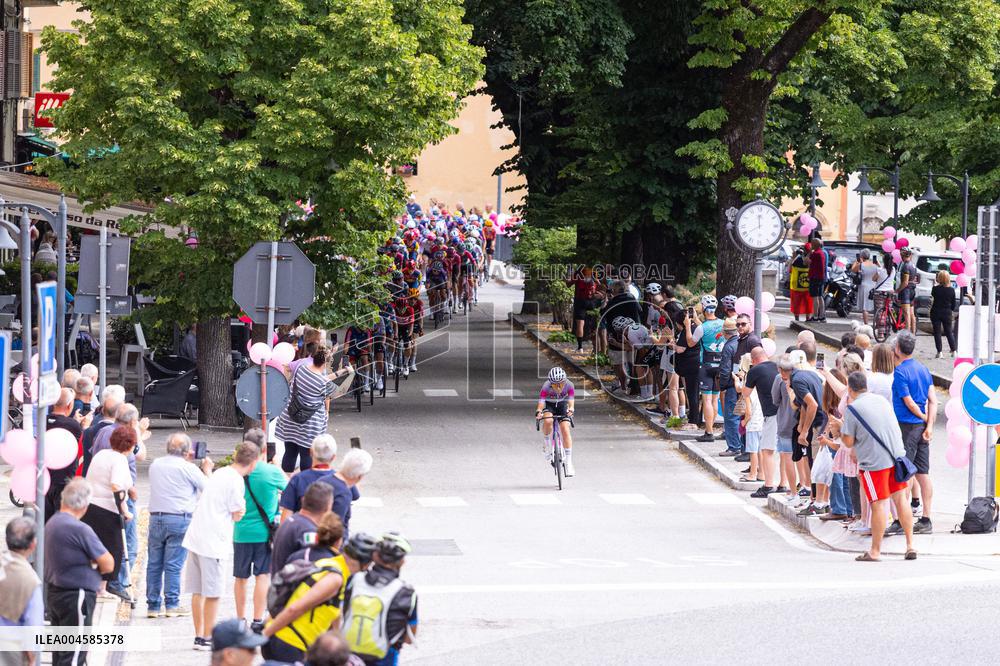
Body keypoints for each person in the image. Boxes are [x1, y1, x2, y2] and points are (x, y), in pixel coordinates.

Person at [182, 442, 259, 651]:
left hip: (196, 535)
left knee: (197, 591)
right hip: (213, 541)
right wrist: (239, 511)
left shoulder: (220, 473)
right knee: (213, 592)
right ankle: (207, 636)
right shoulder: (236, 481)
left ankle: (199, 634)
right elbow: (237, 512)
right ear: (253, 462)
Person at [835, 371, 917, 562]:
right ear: (866, 385)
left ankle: (875, 551)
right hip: (897, 458)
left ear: (849, 388)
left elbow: (847, 441)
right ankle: (910, 545)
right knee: (901, 501)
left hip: (874, 464)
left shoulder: (852, 409)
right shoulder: (881, 400)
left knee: (879, 504)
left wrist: (838, 429)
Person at [45, 479, 114, 666]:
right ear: (84, 505)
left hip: (56, 592)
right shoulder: (80, 529)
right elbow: (108, 563)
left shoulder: (53, 522)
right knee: (74, 653)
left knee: (61, 652)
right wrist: (93, 561)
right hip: (76, 594)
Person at [262, 514, 348, 662]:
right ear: (339, 541)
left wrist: (267, 631)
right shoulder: (333, 567)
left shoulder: (298, 555)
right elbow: (298, 608)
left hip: (274, 630)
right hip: (296, 641)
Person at [146, 432, 212, 618]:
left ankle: (153, 605)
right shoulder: (188, 469)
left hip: (156, 517)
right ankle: (172, 604)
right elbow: (208, 489)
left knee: (154, 563)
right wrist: (206, 470)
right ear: (187, 451)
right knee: (173, 564)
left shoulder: (156, 464)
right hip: (179, 518)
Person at [234, 441, 287, 632]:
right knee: (262, 575)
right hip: (265, 533)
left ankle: (240, 619)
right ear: (263, 451)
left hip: (241, 532)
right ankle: (257, 618)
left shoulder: (236, 472)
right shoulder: (270, 472)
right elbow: (289, 491)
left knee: (240, 577)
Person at [343, 533, 418, 666]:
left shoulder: (355, 580)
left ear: (375, 556)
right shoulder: (406, 593)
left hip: (349, 656)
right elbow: (409, 638)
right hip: (384, 659)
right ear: (402, 561)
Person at [275, 346, 350, 473]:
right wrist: (350, 374)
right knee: (306, 454)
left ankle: (286, 485)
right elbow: (340, 391)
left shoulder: (301, 369)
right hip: (309, 423)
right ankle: (304, 484)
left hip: (291, 416)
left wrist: (341, 372)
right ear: (326, 363)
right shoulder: (322, 383)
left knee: (290, 452)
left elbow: (320, 379)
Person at [890, 330, 935, 535]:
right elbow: (933, 400)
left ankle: (902, 519)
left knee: (905, 473)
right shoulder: (923, 369)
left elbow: (908, 402)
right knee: (923, 473)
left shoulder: (900, 372)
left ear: (898, 349)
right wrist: (930, 425)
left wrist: (923, 418)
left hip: (907, 426)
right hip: (922, 428)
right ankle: (926, 518)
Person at [82, 425, 136, 599]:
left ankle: (91, 584)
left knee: (94, 547)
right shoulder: (119, 460)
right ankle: (102, 588)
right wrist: (125, 510)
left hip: (90, 507)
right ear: (129, 445)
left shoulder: (101, 455)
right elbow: (116, 485)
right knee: (113, 550)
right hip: (108, 510)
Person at [0, 518, 43, 666]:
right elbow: (33, 628)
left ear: (6, 540)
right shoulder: (30, 581)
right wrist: (31, 659)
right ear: (33, 544)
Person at [271, 482, 335, 575]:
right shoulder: (308, 531)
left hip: (280, 582)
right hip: (292, 586)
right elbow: (309, 568)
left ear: (304, 500)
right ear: (328, 507)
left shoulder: (291, 521)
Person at [791, 343, 825, 511]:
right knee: (811, 459)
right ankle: (815, 498)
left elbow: (811, 405)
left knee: (816, 462)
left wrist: (804, 429)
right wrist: (802, 427)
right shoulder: (814, 374)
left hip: (819, 424)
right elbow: (804, 404)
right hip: (817, 423)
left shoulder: (798, 378)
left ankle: (818, 500)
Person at [45, 387, 85, 522]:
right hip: (64, 479)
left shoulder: (42, 422)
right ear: (69, 405)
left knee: (44, 522)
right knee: (62, 521)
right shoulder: (73, 426)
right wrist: (82, 426)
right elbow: (80, 448)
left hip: (44, 479)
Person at [744, 347, 780, 497]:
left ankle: (768, 484)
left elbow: (745, 393)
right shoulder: (777, 366)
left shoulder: (754, 371)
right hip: (784, 412)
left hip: (770, 413)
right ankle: (783, 483)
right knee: (784, 452)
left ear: (753, 360)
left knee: (767, 450)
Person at [689, 295, 725, 443]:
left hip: (706, 366)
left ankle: (709, 431)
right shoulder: (724, 324)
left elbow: (691, 343)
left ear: (703, 308)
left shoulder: (701, 328)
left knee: (707, 399)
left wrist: (686, 325)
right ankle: (710, 428)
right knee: (715, 399)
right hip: (720, 365)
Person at [278, 435, 340, 518]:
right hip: (332, 529)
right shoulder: (340, 480)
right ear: (333, 457)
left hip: (301, 528)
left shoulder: (298, 479)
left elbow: (286, 516)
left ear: (311, 452)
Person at [535, 367, 576, 477]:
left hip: (562, 405)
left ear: (564, 381)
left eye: (561, 384)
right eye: (555, 384)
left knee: (565, 429)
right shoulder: (546, 386)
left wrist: (571, 409)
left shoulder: (569, 385)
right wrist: (539, 411)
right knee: (548, 420)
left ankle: (568, 462)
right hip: (549, 405)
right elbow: (541, 401)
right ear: (550, 383)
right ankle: (547, 443)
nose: (558, 387)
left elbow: (571, 400)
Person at [773, 355, 798, 500]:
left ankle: (793, 491)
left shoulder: (779, 379)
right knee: (803, 459)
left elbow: (775, 400)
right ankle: (805, 487)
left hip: (785, 422)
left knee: (787, 457)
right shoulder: (801, 377)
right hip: (800, 423)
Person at [716, 318, 741, 457]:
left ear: (725, 333)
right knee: (741, 415)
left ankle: (733, 446)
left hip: (732, 385)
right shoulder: (741, 343)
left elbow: (725, 369)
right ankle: (741, 445)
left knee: (731, 416)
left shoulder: (728, 346)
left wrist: (723, 386)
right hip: (743, 383)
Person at [568, 266, 601, 351]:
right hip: (592, 301)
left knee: (580, 324)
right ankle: (596, 348)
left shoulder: (578, 272)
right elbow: (599, 284)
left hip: (580, 301)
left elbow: (568, 284)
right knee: (594, 324)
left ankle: (580, 347)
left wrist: (569, 277)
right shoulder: (594, 271)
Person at [930, 270, 957, 358]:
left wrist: (935, 284)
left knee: (937, 332)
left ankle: (939, 352)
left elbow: (933, 295)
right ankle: (954, 351)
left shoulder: (935, 289)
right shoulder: (952, 290)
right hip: (947, 313)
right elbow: (953, 305)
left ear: (939, 278)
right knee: (949, 332)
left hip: (936, 312)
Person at [852, 250, 878, 325]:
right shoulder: (874, 264)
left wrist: (857, 261)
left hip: (864, 286)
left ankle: (866, 324)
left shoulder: (861, 264)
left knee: (865, 307)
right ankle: (876, 323)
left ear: (862, 256)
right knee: (874, 306)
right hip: (873, 286)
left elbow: (853, 269)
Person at [896, 247, 918, 334]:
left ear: (902, 255)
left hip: (906, 291)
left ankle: (907, 334)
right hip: (912, 290)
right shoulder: (913, 265)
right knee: (912, 314)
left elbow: (905, 282)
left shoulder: (905, 266)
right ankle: (913, 332)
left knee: (906, 314)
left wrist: (897, 290)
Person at [788, 246, 812, 321]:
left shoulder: (797, 260)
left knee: (798, 303)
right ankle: (807, 318)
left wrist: (793, 258)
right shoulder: (810, 260)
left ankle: (797, 319)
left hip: (797, 286)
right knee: (806, 303)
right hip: (806, 287)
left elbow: (789, 269)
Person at [807, 239, 828, 322]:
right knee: (820, 296)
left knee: (815, 297)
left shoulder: (815, 253)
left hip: (815, 277)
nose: (811, 245)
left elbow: (806, 261)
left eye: (812, 244)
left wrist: (809, 252)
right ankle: (822, 316)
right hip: (821, 277)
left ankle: (815, 316)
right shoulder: (822, 253)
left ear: (815, 245)